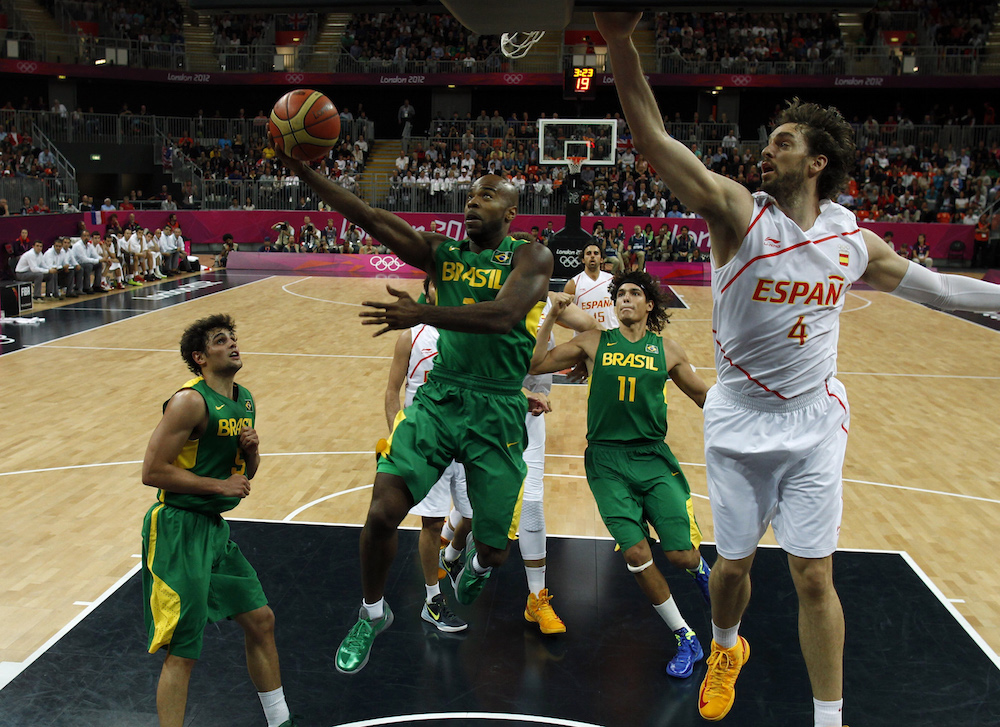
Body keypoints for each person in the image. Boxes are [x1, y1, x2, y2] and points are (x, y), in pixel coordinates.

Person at [597, 11, 1000, 726]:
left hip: (814, 422)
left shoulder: (854, 239)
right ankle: (727, 645)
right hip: (739, 421)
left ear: (816, 163)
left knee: (815, 573)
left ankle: (828, 717)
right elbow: (656, 142)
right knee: (733, 568)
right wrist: (620, 44)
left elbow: (940, 289)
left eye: (783, 143)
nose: (767, 149)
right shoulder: (736, 214)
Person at [278, 147, 554, 675]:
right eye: (471, 194)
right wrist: (305, 171)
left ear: (510, 214)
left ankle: (476, 565)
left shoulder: (530, 257)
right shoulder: (442, 252)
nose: (474, 202)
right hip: (442, 396)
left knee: (495, 550)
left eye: (488, 196)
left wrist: (420, 310)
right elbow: (369, 216)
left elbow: (503, 316)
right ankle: (372, 613)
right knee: (383, 510)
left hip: (498, 406)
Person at [528, 269, 712, 678]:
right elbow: (536, 362)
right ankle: (686, 637)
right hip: (607, 461)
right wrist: (549, 317)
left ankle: (701, 570)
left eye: (634, 293)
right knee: (636, 552)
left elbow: (705, 398)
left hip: (653, 458)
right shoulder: (594, 341)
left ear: (650, 305)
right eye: (620, 294)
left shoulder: (668, 350)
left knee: (682, 555)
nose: (625, 299)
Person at [140, 314, 296, 727]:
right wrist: (217, 486)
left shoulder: (244, 400)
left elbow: (241, 478)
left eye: (233, 338)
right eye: (221, 340)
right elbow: (152, 471)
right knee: (185, 647)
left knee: (261, 620)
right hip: (178, 527)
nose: (233, 344)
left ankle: (281, 721)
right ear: (200, 357)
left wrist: (253, 454)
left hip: (213, 530)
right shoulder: (188, 401)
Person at [384, 276, 470, 634]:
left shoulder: (470, 332)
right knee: (431, 522)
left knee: (475, 515)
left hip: (464, 438)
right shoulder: (411, 336)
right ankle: (432, 601)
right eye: (439, 283)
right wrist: (397, 436)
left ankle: (451, 556)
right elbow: (392, 390)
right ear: (429, 289)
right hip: (426, 442)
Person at [564, 242, 619, 329]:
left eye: (596, 253)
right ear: (583, 259)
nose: (592, 256)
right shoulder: (573, 284)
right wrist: (580, 326)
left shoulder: (612, 280)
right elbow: (562, 314)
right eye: (588, 254)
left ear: (601, 259)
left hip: (610, 334)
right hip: (586, 337)